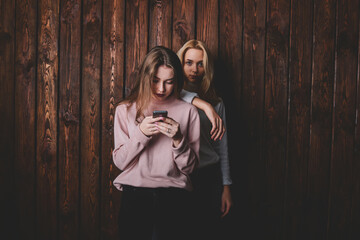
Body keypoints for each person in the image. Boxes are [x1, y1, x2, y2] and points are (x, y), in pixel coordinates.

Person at [112, 46, 200, 240]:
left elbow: (191, 169)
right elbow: (120, 162)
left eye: (169, 82)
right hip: (135, 196)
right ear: (145, 77)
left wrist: (179, 140)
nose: (161, 89)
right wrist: (140, 134)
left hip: (174, 197)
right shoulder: (124, 110)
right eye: (155, 81)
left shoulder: (189, 112)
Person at [177, 39, 233, 240]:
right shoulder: (171, 96)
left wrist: (226, 187)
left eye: (200, 64)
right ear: (180, 64)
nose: (194, 69)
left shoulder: (217, 102)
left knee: (206, 232)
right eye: (189, 62)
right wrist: (203, 106)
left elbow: (222, 148)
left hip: (208, 176)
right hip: (179, 175)